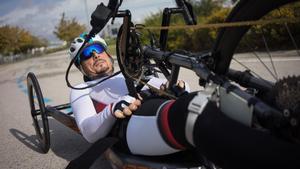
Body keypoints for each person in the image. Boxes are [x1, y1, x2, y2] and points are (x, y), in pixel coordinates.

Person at [69, 33, 300, 169]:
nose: (95, 55)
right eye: (86, 55)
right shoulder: (81, 88)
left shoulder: (131, 70)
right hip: (129, 126)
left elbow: (166, 85)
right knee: (192, 112)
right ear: (81, 67)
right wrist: (111, 109)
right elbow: (89, 132)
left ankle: (279, 114)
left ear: (108, 53)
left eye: (97, 48)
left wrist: (179, 86)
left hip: (164, 105)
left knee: (228, 95)